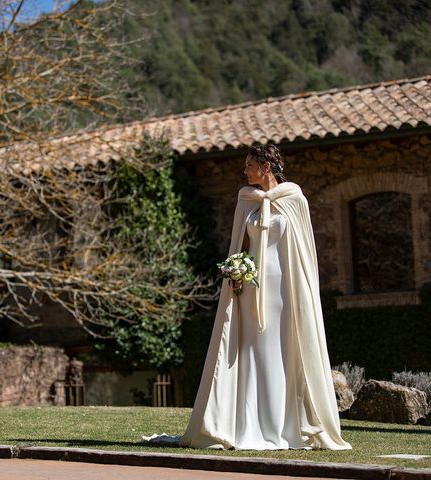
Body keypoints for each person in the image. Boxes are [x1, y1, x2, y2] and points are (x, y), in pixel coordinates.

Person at [145, 144, 350, 450]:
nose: (245, 171)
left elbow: (304, 252)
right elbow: (239, 246)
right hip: (251, 290)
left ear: (266, 166)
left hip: (285, 290)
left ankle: (286, 424)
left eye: (250, 165)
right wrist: (235, 271)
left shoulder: (295, 199)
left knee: (283, 351)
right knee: (252, 352)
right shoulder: (246, 201)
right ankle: (248, 423)